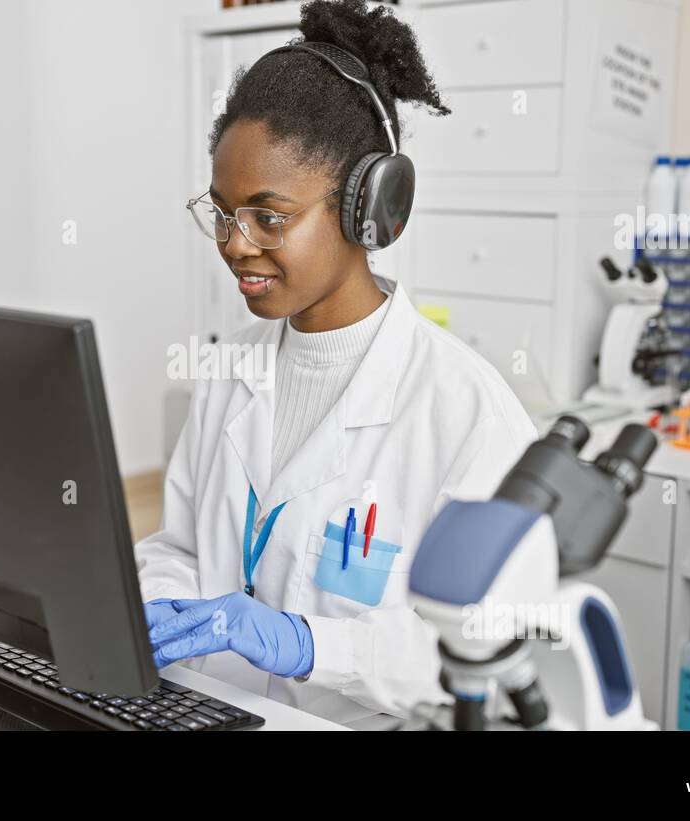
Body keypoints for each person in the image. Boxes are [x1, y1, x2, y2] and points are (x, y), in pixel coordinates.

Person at [134, 0, 538, 727]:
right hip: (214, 712)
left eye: (269, 215)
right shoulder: (232, 370)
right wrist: (163, 598)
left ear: (369, 209)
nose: (233, 242)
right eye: (222, 212)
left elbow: (488, 648)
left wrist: (309, 644)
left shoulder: (466, 411)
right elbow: (180, 544)